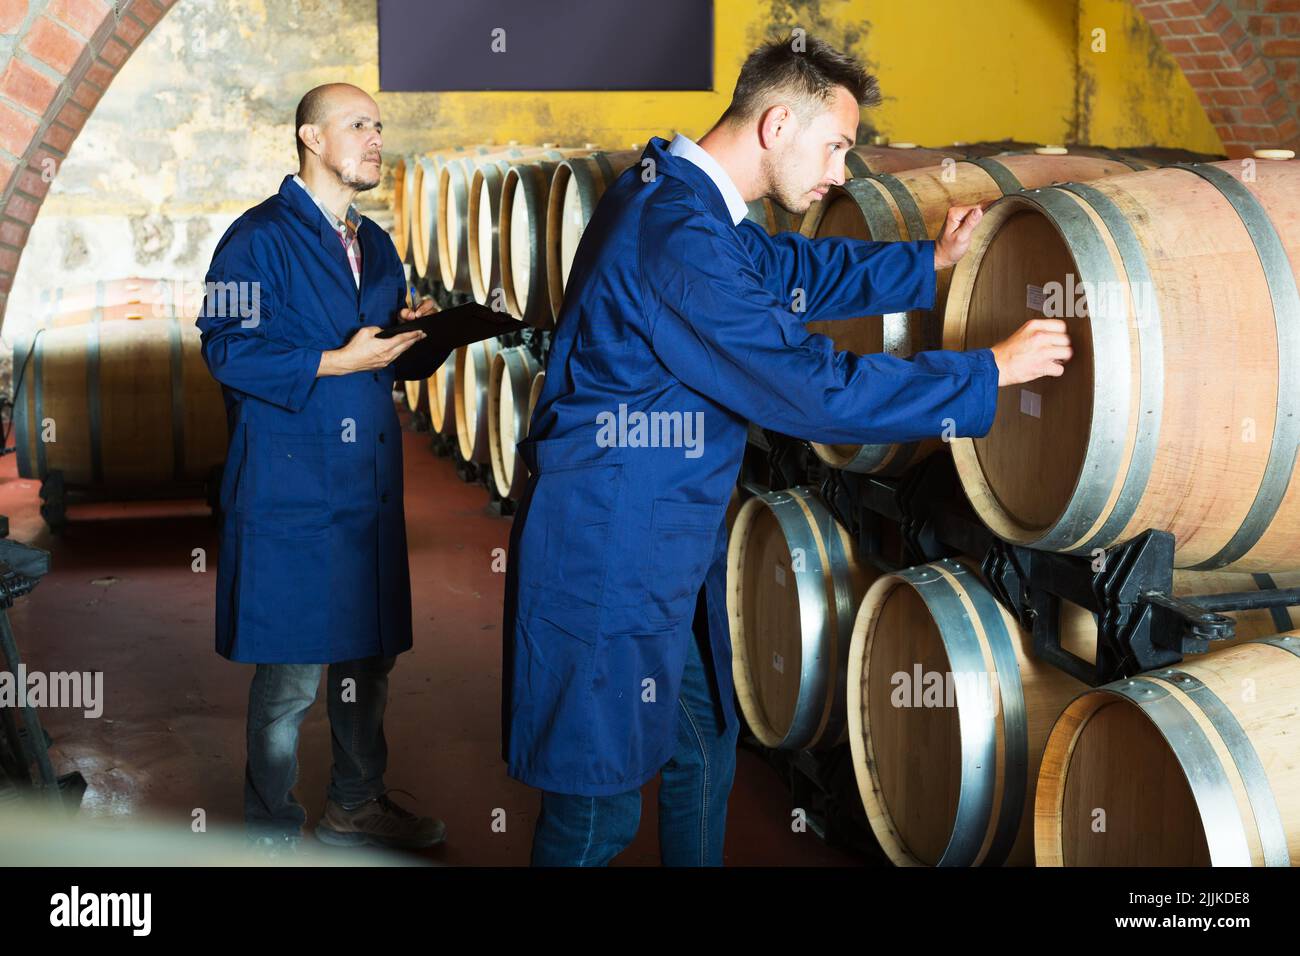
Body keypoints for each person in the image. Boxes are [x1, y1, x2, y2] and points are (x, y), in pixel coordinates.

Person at [502, 35, 1071, 866]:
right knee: (597, 810)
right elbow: (816, 392)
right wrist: (987, 374)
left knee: (703, 749)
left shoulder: (683, 198)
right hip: (609, 551)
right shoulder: (678, 237)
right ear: (777, 124)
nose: (844, 172)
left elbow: (790, 268)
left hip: (661, 536)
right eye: (836, 145)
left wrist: (928, 262)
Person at [197, 82, 446, 854]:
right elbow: (227, 348)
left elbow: (377, 358)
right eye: (359, 125)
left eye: (379, 126)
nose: (377, 139)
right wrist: (339, 361)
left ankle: (354, 805)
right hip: (293, 490)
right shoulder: (254, 239)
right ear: (310, 137)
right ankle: (269, 834)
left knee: (368, 662)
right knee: (291, 677)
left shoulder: (375, 243)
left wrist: (413, 336)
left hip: (365, 489)